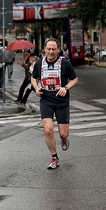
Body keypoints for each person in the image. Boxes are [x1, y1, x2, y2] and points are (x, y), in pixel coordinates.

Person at [31, 38, 79, 170]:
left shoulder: (65, 63)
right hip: (46, 99)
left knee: (63, 133)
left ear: (58, 50)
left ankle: (63, 139)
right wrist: (36, 88)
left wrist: (66, 88)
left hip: (61, 100)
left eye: (54, 49)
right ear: (44, 50)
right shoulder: (39, 64)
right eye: (49, 49)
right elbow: (33, 78)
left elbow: (74, 79)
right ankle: (54, 157)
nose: (51, 51)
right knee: (48, 130)